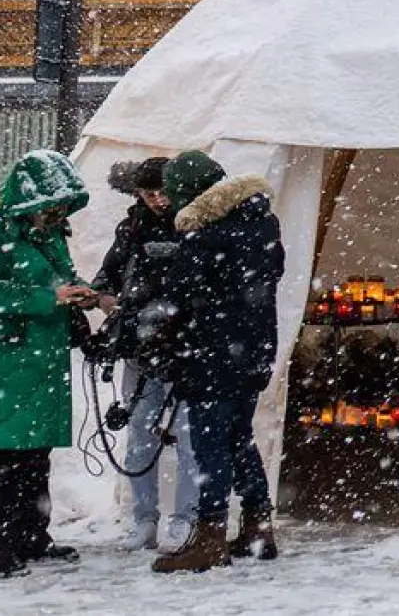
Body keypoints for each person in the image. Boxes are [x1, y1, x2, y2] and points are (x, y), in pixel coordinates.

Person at [0, 150, 94, 578]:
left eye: (61, 207)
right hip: (3, 361)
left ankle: (29, 537)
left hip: (39, 362)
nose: (56, 214)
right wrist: (47, 299)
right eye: (50, 206)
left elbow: (62, 278)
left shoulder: (49, 235)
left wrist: (86, 294)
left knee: (34, 457)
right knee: (1, 459)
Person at [150, 151, 285, 574]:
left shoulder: (205, 235)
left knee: (211, 446)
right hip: (252, 353)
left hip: (212, 356)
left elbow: (178, 295)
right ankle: (259, 524)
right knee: (238, 438)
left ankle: (209, 538)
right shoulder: (262, 225)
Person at [91, 157, 199, 552]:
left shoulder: (195, 223)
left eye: (162, 192)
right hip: (138, 347)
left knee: (189, 436)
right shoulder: (131, 228)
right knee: (140, 431)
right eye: (148, 194)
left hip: (186, 348)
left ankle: (186, 517)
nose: (157, 201)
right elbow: (109, 272)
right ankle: (144, 517)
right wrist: (104, 297)